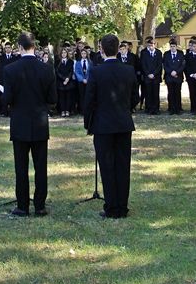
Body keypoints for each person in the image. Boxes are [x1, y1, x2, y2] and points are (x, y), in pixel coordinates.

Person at [84, 34, 138, 219]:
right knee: (123, 165)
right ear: (118, 49)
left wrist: (88, 123)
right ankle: (121, 206)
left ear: (102, 50)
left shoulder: (96, 72)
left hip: (103, 124)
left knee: (107, 167)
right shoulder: (128, 70)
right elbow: (135, 98)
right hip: (123, 123)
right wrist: (125, 109)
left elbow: (89, 100)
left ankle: (112, 206)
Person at [4, 32, 56, 216]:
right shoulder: (46, 69)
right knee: (41, 166)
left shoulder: (10, 70)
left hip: (19, 123)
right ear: (34, 46)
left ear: (19, 47)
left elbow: (7, 99)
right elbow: (52, 98)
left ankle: (23, 206)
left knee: (21, 167)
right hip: (40, 122)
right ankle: (40, 206)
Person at [140, 36, 163, 114]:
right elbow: (143, 65)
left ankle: (156, 109)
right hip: (147, 77)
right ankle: (149, 109)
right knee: (148, 93)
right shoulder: (144, 53)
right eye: (149, 45)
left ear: (155, 44)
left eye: (152, 45)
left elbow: (159, 65)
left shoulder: (159, 53)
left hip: (155, 76)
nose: (150, 46)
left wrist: (154, 74)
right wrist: (148, 74)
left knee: (156, 93)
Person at [163, 39, 185, 115]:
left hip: (178, 77)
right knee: (170, 93)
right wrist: (171, 72)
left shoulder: (180, 54)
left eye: (174, 46)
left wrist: (176, 72)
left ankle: (178, 109)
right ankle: (171, 109)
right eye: (171, 46)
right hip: (169, 77)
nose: (172, 48)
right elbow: (165, 65)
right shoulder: (166, 54)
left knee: (177, 93)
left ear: (176, 47)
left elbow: (182, 65)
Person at [56, 48, 75, 117]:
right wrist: (64, 79)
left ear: (67, 53)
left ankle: (67, 110)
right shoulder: (58, 61)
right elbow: (57, 72)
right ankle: (62, 110)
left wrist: (67, 78)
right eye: (62, 53)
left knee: (68, 97)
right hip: (60, 82)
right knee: (61, 97)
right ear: (61, 54)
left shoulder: (70, 61)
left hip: (69, 82)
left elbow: (71, 71)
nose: (63, 54)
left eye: (65, 52)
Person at [75, 47, 92, 115]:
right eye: (82, 53)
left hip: (88, 82)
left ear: (87, 54)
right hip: (81, 82)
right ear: (81, 54)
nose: (83, 55)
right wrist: (82, 79)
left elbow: (91, 72)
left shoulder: (90, 62)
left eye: (85, 53)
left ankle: (88, 109)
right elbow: (77, 72)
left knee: (87, 95)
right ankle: (82, 110)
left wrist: (87, 79)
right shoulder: (78, 63)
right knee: (81, 96)